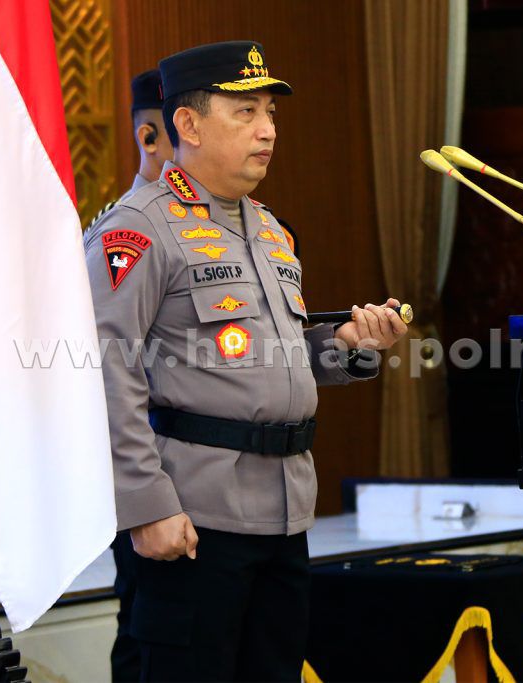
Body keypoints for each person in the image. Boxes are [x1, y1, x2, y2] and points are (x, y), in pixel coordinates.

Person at [84, 41, 408, 681]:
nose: (268, 131)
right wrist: (146, 506)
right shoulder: (139, 229)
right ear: (188, 123)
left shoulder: (268, 229)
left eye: (270, 113)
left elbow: (269, 358)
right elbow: (103, 371)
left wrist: (349, 346)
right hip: (193, 518)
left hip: (284, 513)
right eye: (246, 112)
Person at [104, 67, 173, 683]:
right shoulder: (120, 231)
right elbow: (107, 363)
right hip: (148, 466)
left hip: (226, 484)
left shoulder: (250, 226)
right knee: (146, 638)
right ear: (149, 137)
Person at [90, 68, 174, 231]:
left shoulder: (209, 210)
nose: (195, 141)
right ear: (149, 139)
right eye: (183, 131)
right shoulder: (120, 222)